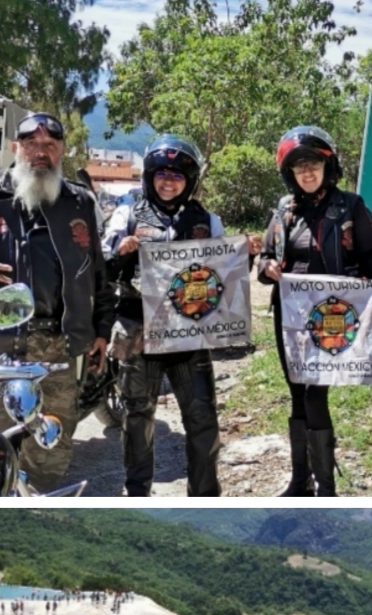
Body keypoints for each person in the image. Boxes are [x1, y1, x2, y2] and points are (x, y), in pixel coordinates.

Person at [0, 111, 115, 492]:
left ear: (62, 150)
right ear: (16, 148)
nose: (40, 152)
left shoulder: (79, 202)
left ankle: (39, 500)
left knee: (52, 442)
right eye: (31, 144)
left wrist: (100, 330)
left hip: (61, 347)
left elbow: (98, 274)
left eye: (49, 145)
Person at [104, 134, 261, 497]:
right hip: (138, 328)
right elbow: (103, 264)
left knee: (203, 418)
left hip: (191, 334)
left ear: (189, 181)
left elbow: (225, 274)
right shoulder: (127, 213)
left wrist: (247, 254)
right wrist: (123, 250)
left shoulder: (208, 219)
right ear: (149, 176)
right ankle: (137, 491)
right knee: (137, 415)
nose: (169, 180)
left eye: (177, 175)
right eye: (162, 173)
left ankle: (206, 494)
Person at [258, 126, 372, 497]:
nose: (307, 172)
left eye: (313, 164)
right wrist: (266, 267)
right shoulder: (283, 210)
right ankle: (299, 480)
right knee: (296, 392)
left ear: (328, 165)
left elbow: (371, 254)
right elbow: (266, 256)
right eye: (299, 166)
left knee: (314, 394)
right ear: (290, 173)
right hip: (288, 315)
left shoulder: (350, 206)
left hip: (334, 315)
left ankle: (326, 487)